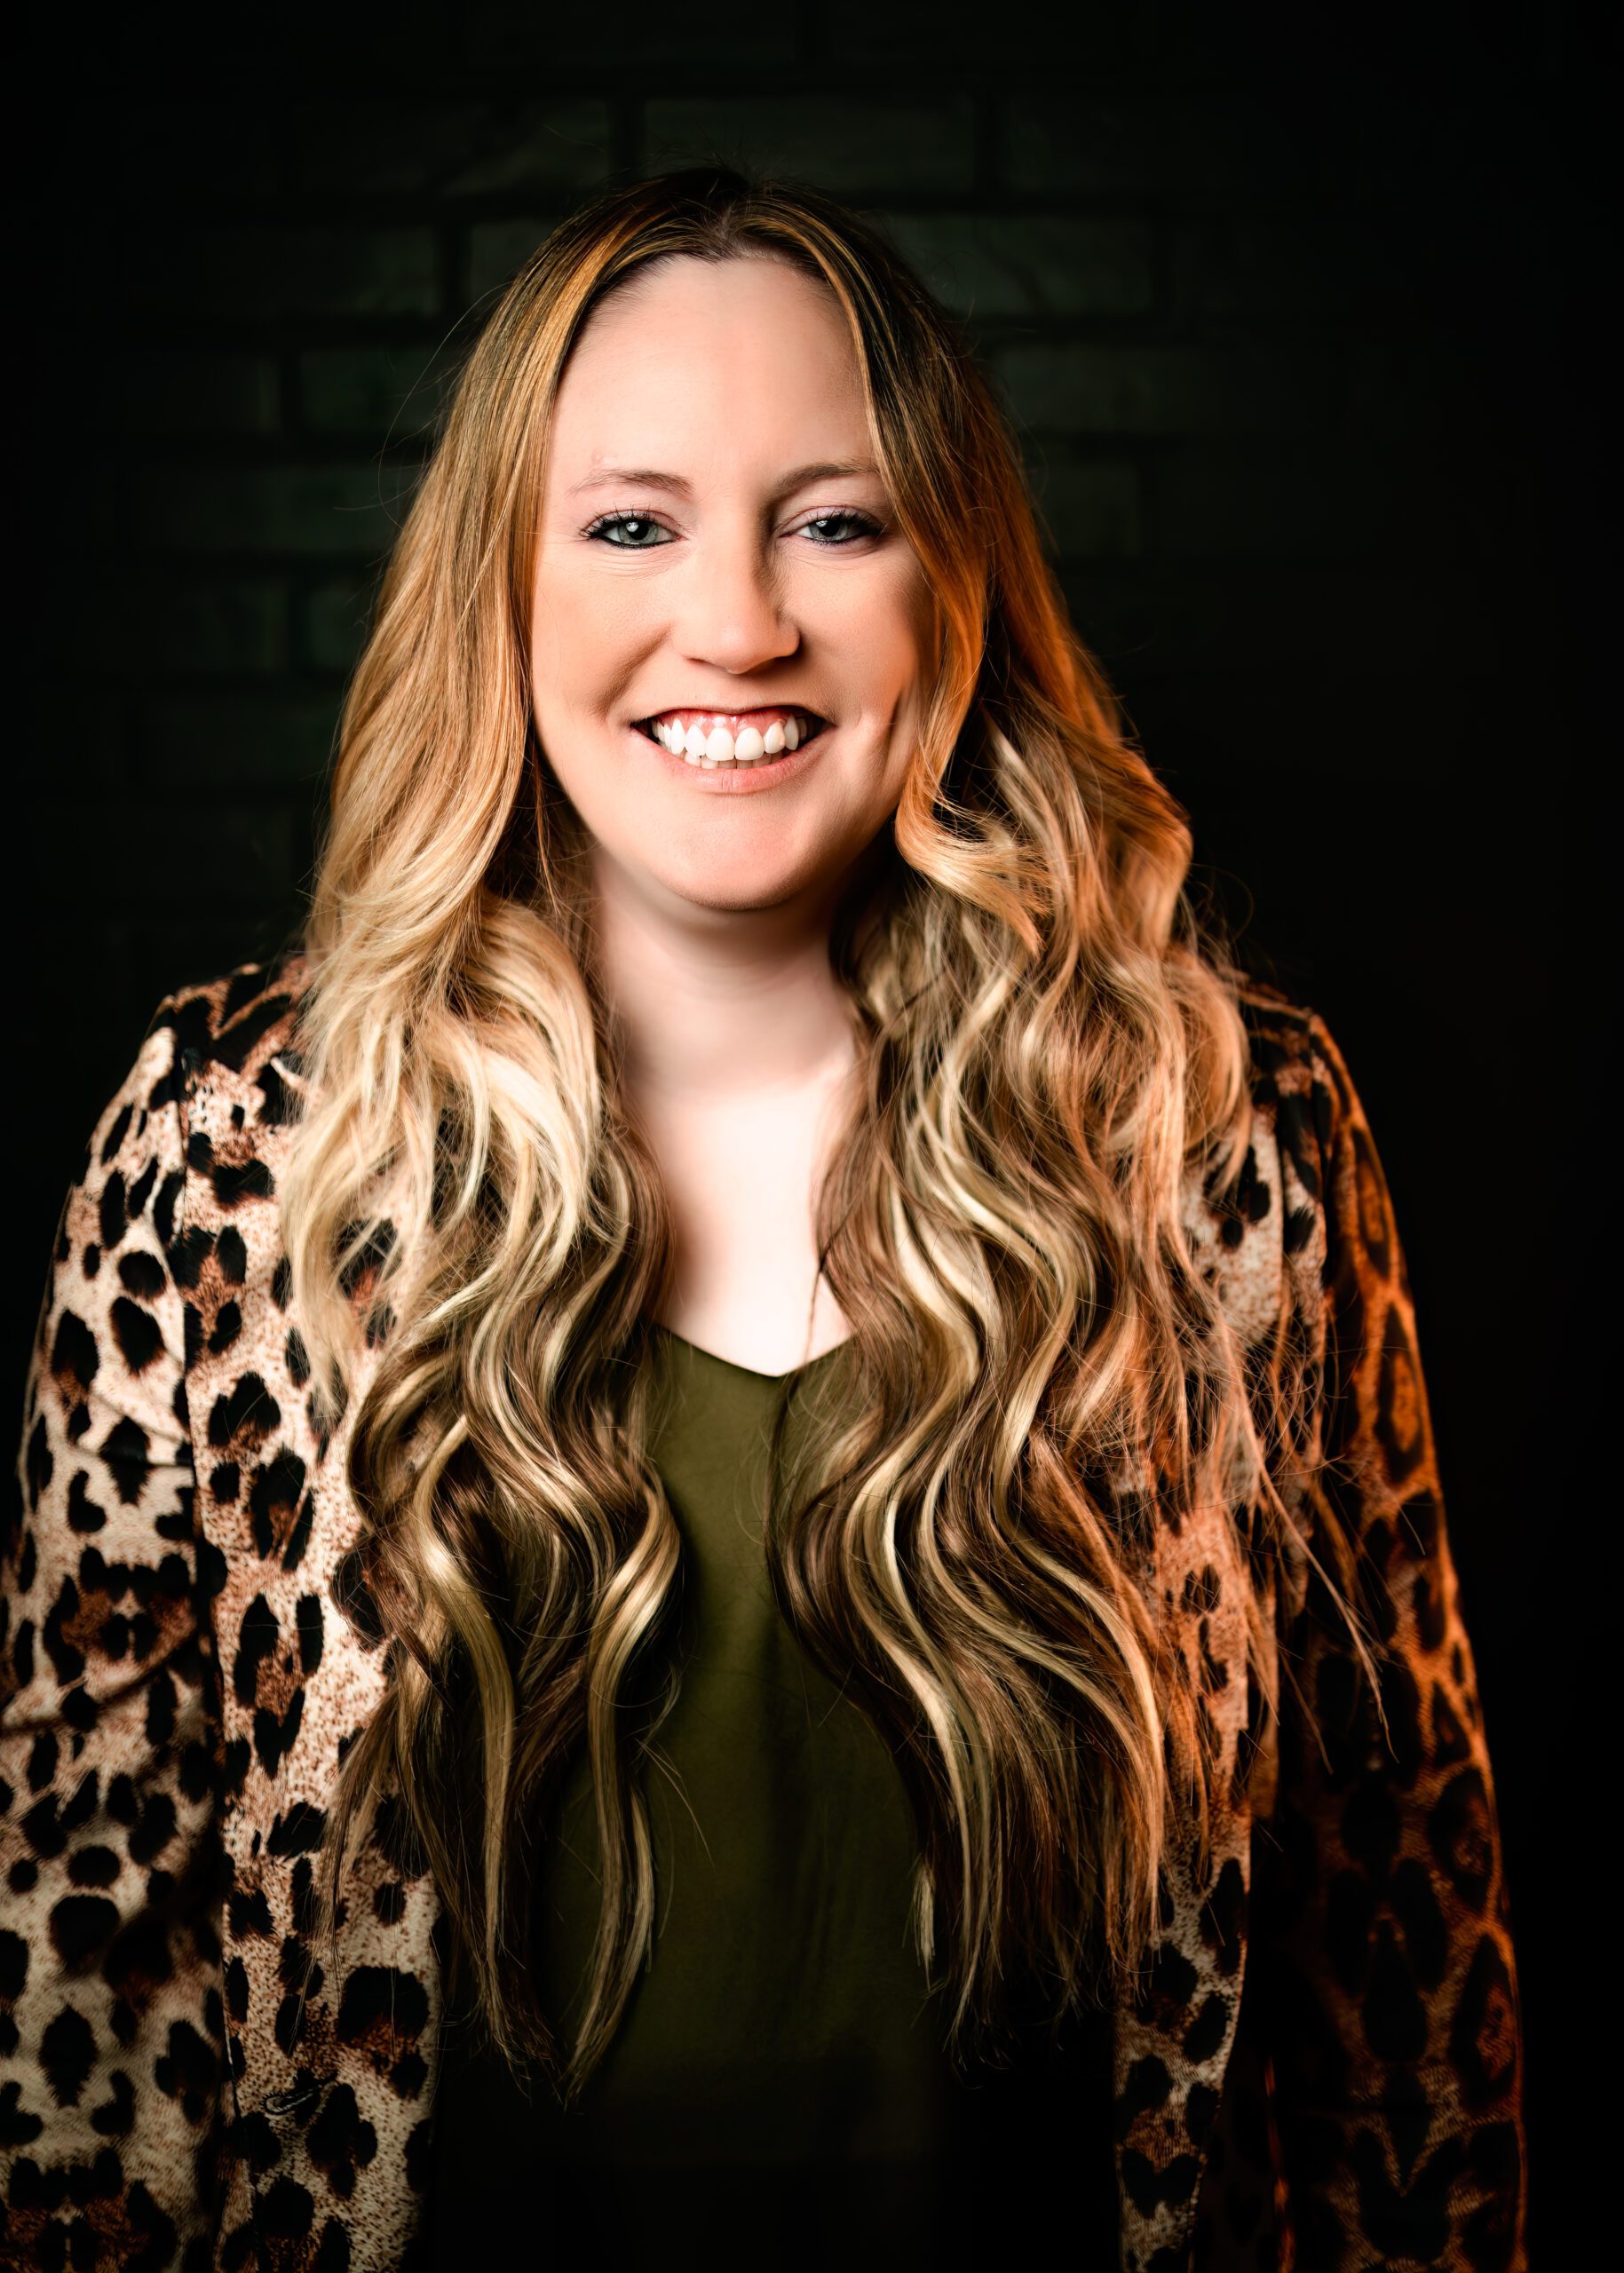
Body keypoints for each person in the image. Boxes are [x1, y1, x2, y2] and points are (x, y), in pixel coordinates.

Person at [1, 168, 1525, 2272]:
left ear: (953, 583)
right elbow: (92, 2018)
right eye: (633, 523)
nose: (737, 620)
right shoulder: (234, 1149)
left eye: (835, 517)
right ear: (506, 588)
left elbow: (1400, 1954)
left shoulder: (1217, 1138)